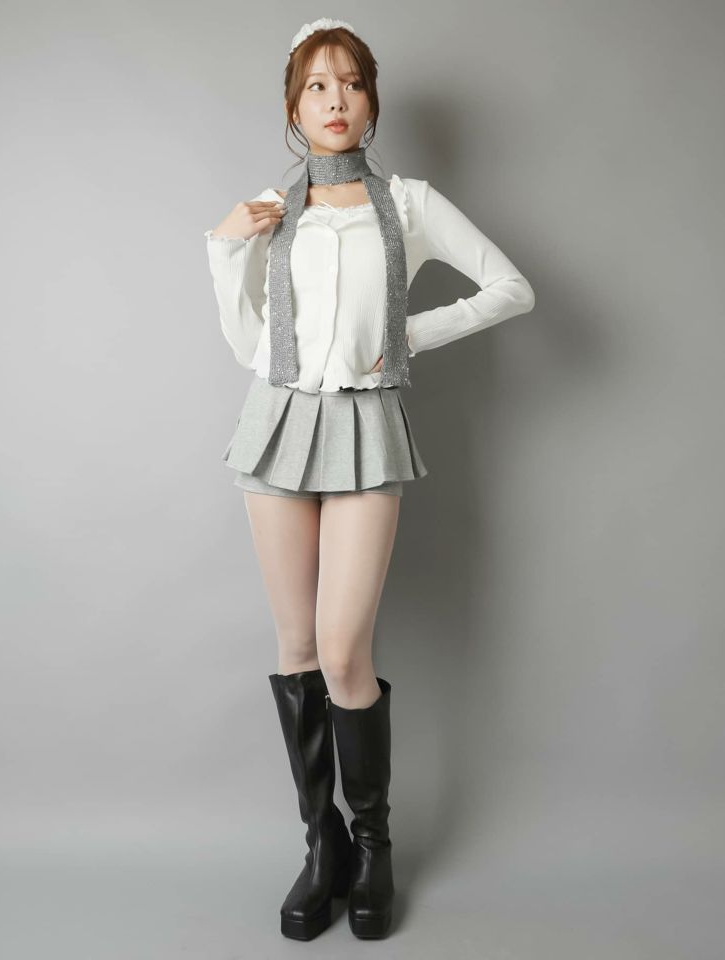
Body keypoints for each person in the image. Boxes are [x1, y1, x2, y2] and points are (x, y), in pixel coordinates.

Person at [203, 17, 535, 941]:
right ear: (293, 106)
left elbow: (510, 288)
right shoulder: (272, 208)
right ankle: (324, 849)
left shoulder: (410, 204)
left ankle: (373, 843)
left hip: (365, 424)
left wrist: (405, 335)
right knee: (297, 645)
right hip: (277, 426)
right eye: (317, 85)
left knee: (345, 650)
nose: (335, 99)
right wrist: (226, 248)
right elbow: (252, 347)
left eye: (350, 82)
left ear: (371, 100)